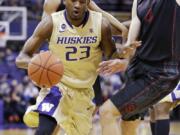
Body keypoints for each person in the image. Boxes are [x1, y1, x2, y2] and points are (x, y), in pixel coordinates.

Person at [15, 0, 132, 134]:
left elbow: (112, 54)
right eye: (72, 1)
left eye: (82, 1)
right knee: (45, 131)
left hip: (84, 91)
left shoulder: (101, 25)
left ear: (87, 2)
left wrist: (122, 53)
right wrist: (37, 64)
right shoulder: (51, 21)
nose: (77, 5)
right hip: (57, 86)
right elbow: (21, 58)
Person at [97, 0, 180, 135]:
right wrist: (125, 58)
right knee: (128, 121)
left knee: (106, 112)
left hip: (160, 74)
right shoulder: (138, 1)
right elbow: (133, 41)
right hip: (138, 68)